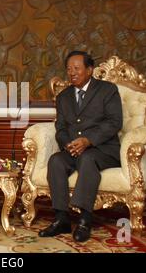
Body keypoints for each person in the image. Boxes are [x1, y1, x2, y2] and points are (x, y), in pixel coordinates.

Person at [39, 51, 122, 242]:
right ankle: (61, 219)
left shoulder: (107, 90)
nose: (72, 73)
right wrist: (67, 144)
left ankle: (85, 220)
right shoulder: (64, 96)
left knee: (87, 157)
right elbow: (60, 128)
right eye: (69, 69)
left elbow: (114, 122)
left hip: (103, 149)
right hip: (73, 149)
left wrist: (87, 140)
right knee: (56, 161)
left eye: (76, 68)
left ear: (90, 70)